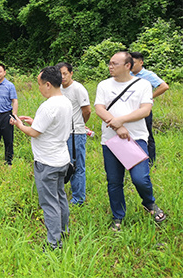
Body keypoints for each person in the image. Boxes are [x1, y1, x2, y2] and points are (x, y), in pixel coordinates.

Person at [95, 51, 167, 231]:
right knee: (114, 181)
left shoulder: (142, 84)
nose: (110, 66)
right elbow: (99, 109)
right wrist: (117, 126)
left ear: (128, 66)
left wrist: (122, 120)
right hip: (111, 140)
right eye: (110, 63)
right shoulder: (104, 85)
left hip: (136, 138)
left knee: (140, 178)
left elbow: (145, 110)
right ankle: (118, 216)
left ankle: (149, 203)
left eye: (114, 64)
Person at [12, 66, 72, 250]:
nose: (38, 88)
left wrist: (19, 124)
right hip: (62, 159)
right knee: (61, 196)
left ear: (48, 84)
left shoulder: (48, 106)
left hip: (47, 162)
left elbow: (34, 132)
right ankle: (64, 231)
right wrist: (34, 120)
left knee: (49, 203)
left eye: (39, 84)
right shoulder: (65, 102)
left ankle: (54, 243)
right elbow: (48, 125)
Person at [57, 62, 91, 205]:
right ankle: (69, 192)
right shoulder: (58, 88)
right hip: (62, 132)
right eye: (60, 74)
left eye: (65, 73)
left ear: (71, 73)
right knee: (65, 163)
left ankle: (78, 198)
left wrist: (80, 125)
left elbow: (87, 110)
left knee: (77, 165)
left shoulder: (78, 89)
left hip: (76, 133)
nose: (63, 77)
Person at [130, 52, 169, 167]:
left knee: (147, 134)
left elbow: (164, 86)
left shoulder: (148, 75)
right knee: (132, 134)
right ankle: (134, 161)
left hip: (144, 109)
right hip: (130, 110)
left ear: (141, 62)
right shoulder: (128, 75)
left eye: (134, 62)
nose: (131, 65)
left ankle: (150, 162)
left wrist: (150, 97)